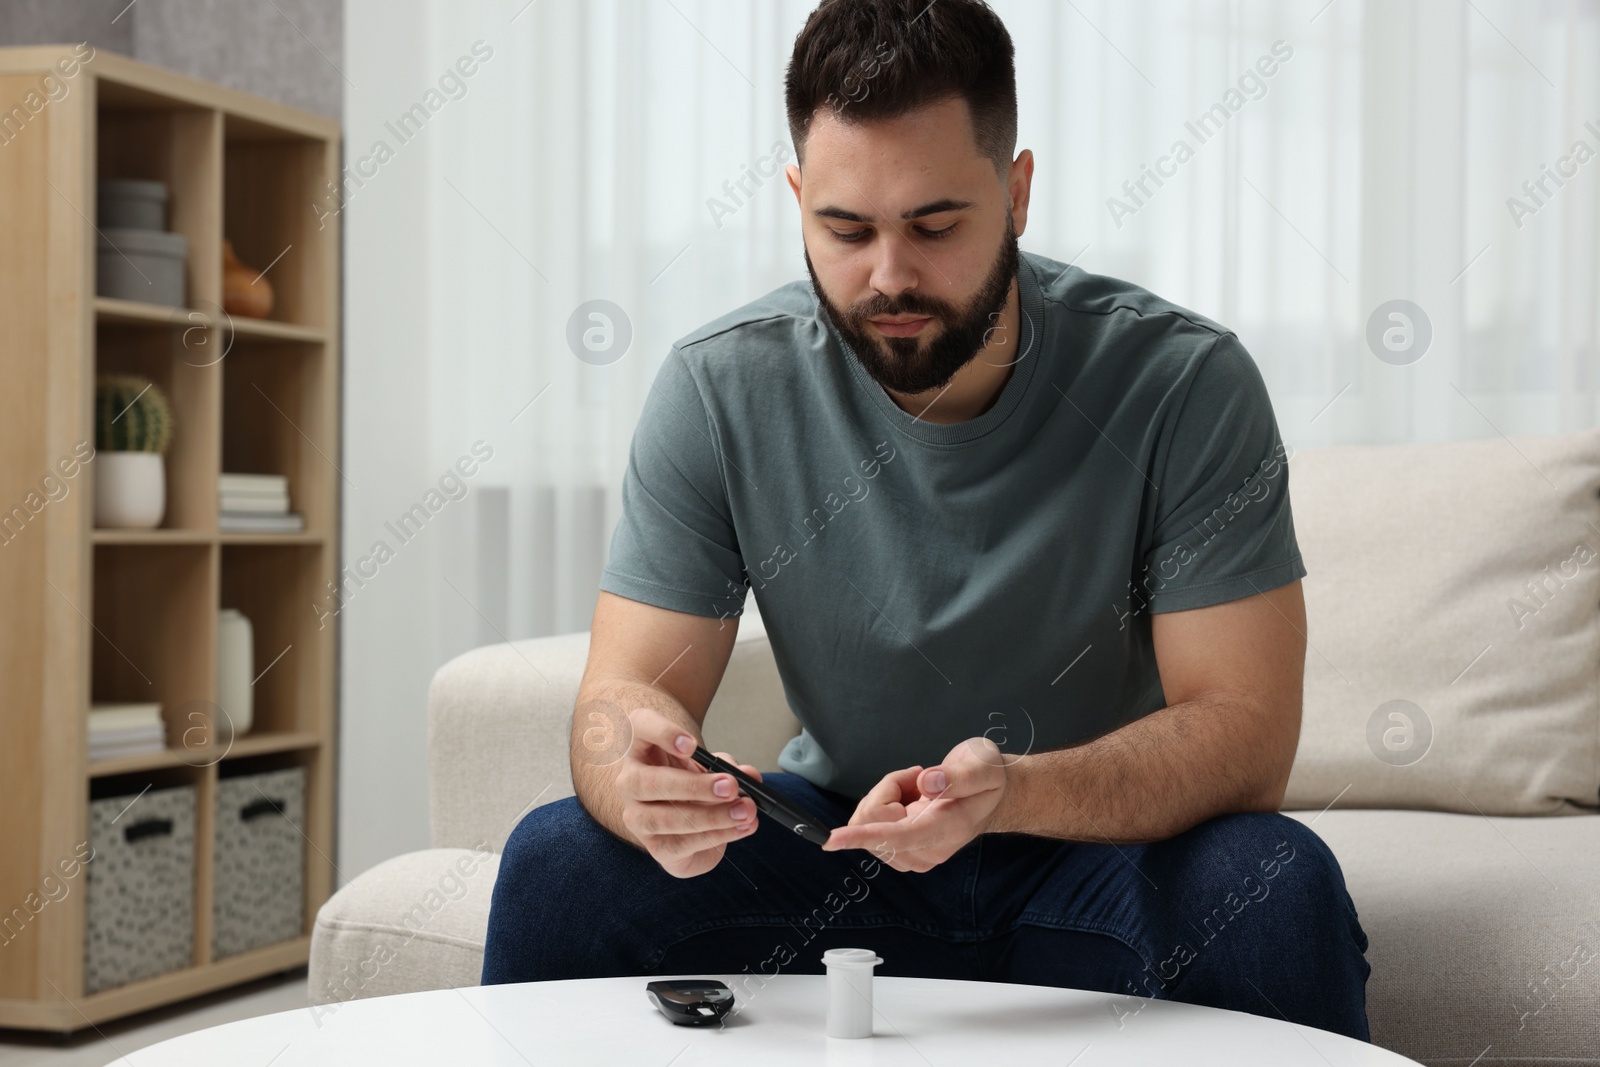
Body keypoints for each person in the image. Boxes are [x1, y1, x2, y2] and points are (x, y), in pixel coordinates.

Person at [483, 0, 1370, 1041]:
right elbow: (617, 697)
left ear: (1017, 191)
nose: (889, 275)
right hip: (837, 854)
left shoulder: (1183, 382)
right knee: (557, 864)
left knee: (1276, 882)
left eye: (935, 225)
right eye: (846, 229)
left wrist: (1014, 791)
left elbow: (1246, 738)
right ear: (797, 198)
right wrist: (630, 770)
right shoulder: (721, 388)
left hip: (1094, 853)